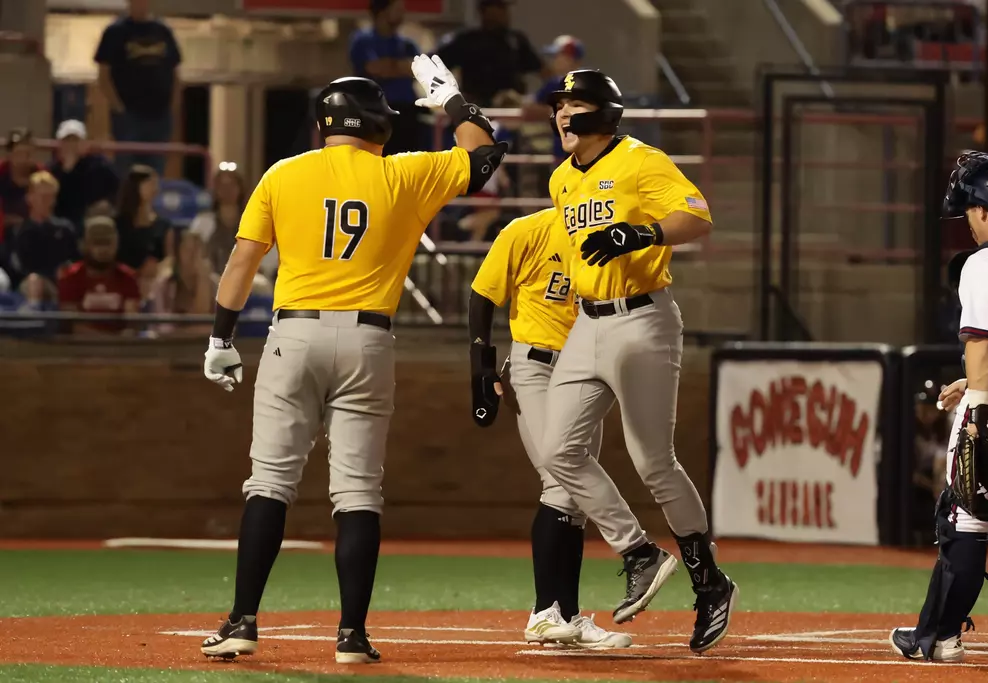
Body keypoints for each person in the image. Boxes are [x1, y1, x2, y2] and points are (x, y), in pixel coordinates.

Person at [198, 58, 508, 664]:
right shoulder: (404, 174)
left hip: (293, 336)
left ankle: (241, 621)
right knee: (359, 493)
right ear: (375, 123)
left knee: (268, 485)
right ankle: (352, 637)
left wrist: (219, 339)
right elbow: (485, 153)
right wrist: (450, 99)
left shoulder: (283, 174)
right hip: (369, 340)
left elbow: (241, 263)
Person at [516, 69, 737, 652]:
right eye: (559, 104)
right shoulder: (562, 177)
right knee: (558, 452)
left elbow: (697, 216)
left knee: (653, 462)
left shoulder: (641, 159)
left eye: (576, 104)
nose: (563, 114)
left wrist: (637, 233)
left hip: (643, 317)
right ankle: (639, 551)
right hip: (586, 322)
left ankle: (710, 581)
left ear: (605, 114)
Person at [468, 207, 631, 649]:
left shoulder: (611, 237)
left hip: (585, 372)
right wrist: (481, 366)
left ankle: (569, 617)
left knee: (574, 498)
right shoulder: (529, 230)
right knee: (559, 485)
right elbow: (483, 294)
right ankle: (544, 613)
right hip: (536, 365)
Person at [890, 151, 988, 662]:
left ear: (983, 209)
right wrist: (969, 379)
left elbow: (987, 343)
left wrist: (978, 413)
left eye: (968, 210)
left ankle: (938, 638)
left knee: (965, 521)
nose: (967, 221)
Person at [94, 0, 181, 176]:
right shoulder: (115, 32)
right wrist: (118, 108)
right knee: (127, 170)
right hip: (129, 116)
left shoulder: (163, 31)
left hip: (160, 116)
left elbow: (175, 73)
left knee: (155, 170)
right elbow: (103, 75)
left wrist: (172, 106)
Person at [349, 0, 424, 156]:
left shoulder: (407, 44)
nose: (403, 14)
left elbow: (419, 69)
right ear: (382, 12)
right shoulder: (363, 40)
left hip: (406, 112)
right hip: (375, 112)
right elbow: (375, 69)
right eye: (397, 9)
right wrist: (400, 66)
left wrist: (390, 65)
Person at [435, 0, 543, 107]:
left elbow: (543, 71)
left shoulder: (515, 41)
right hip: (476, 109)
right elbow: (432, 66)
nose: (506, 13)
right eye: (500, 7)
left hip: (509, 110)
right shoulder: (466, 40)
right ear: (485, 10)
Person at [58, 216, 141, 336]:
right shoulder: (70, 278)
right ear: (86, 245)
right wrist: (107, 341)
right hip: (81, 349)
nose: (103, 249)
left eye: (107, 243)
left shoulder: (128, 278)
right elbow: (72, 325)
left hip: (120, 350)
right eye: (97, 243)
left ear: (116, 244)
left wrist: (120, 341)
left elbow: (132, 321)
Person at [8, 171, 79, 290]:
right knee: (35, 282)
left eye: (50, 196)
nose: (46, 201)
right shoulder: (19, 231)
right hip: (33, 284)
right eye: (42, 196)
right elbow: (19, 267)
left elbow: (75, 259)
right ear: (29, 197)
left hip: (63, 282)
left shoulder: (65, 229)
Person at [48, 120, 120, 232]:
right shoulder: (53, 171)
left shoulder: (100, 166)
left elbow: (116, 189)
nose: (71, 145)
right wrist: (67, 171)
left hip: (94, 222)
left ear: (85, 143)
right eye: (67, 141)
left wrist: (107, 203)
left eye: (75, 140)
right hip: (63, 225)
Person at [522, 35, 586, 163]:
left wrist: (551, 110)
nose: (554, 61)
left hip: (579, 149)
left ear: (570, 59)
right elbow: (529, 107)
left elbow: (529, 108)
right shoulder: (558, 82)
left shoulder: (561, 82)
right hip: (568, 149)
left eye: (557, 56)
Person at [114, 165, 171, 298]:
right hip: (123, 284)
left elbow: (169, 258)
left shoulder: (163, 225)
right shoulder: (118, 225)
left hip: (154, 287)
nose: (155, 189)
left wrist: (157, 269)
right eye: (149, 184)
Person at [148, 230, 213, 336]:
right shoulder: (164, 286)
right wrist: (196, 330)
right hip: (170, 347)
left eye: (197, 251)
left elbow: (227, 328)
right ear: (178, 253)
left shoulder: (215, 286)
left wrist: (203, 281)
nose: (193, 256)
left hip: (206, 347)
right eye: (188, 250)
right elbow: (165, 328)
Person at [0, 128, 42, 231]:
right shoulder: (1, 174)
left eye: (27, 154)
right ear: (9, 155)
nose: (23, 159)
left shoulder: (42, 177)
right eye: (19, 153)